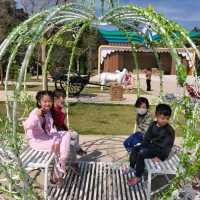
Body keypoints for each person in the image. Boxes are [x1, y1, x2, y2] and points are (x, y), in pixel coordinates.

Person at [23, 90, 71, 185]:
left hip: (46, 137)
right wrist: (36, 117)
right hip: (37, 141)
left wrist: (57, 139)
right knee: (59, 147)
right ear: (39, 102)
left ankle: (62, 160)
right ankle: (56, 176)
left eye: (49, 101)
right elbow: (27, 126)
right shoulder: (35, 112)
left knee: (66, 134)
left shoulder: (48, 113)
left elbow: (52, 129)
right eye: (45, 101)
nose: (48, 104)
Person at [127, 104, 175, 186]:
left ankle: (138, 176)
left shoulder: (169, 131)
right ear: (156, 115)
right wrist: (142, 144)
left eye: (167, 119)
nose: (164, 121)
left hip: (159, 150)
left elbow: (168, 146)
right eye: (162, 118)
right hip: (151, 146)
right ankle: (132, 166)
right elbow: (147, 137)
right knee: (136, 149)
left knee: (142, 153)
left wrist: (161, 157)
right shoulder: (153, 124)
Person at [52, 89, 87, 156]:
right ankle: (76, 152)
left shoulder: (60, 108)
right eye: (62, 97)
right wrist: (66, 132)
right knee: (72, 138)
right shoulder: (53, 110)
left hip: (60, 130)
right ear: (55, 98)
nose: (64, 100)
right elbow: (55, 125)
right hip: (56, 133)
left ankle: (78, 149)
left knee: (75, 134)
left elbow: (61, 123)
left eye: (64, 97)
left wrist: (67, 129)